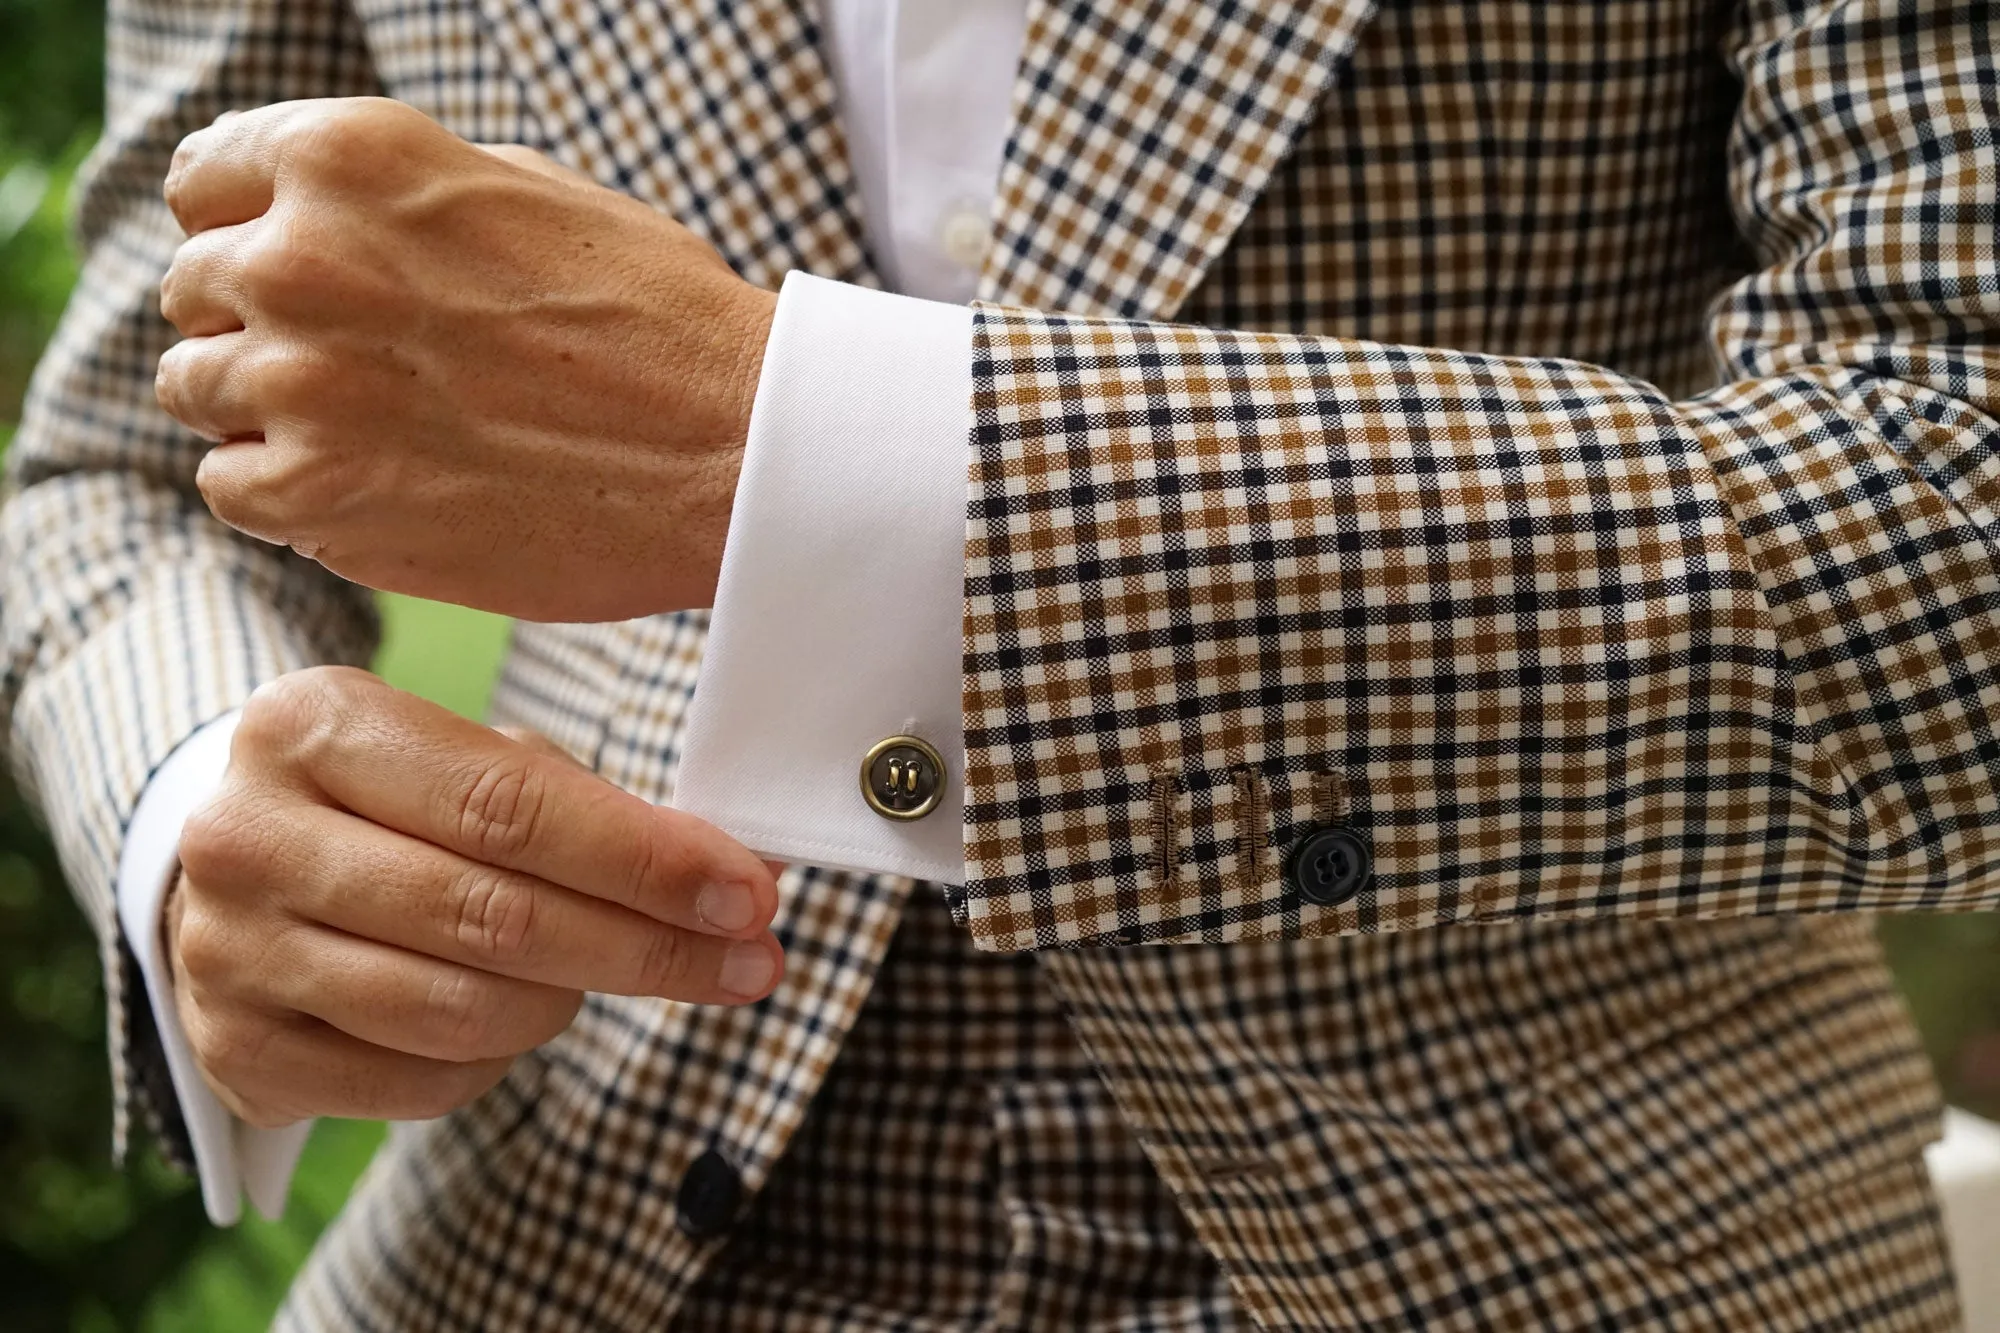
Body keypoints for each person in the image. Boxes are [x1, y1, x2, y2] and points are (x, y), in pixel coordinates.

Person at [3, 0, 1994, 1326]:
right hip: (551, 1218)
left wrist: (781, 443)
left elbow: (1957, 512)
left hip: (1547, 1225)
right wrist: (198, 794)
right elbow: (122, 457)